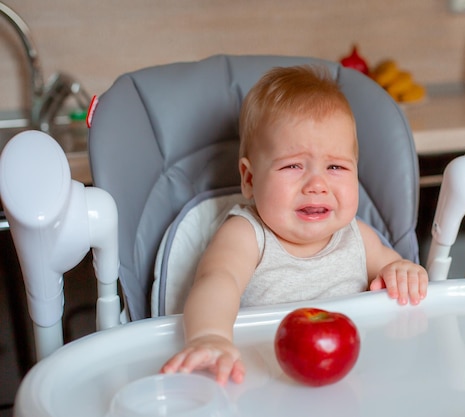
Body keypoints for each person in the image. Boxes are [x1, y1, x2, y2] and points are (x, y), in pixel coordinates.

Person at [161, 64, 428, 384]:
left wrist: (404, 272)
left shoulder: (358, 236)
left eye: (335, 167)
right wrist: (210, 336)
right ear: (249, 179)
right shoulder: (247, 234)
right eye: (293, 165)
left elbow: (399, 274)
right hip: (260, 381)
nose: (317, 184)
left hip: (348, 381)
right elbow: (217, 281)